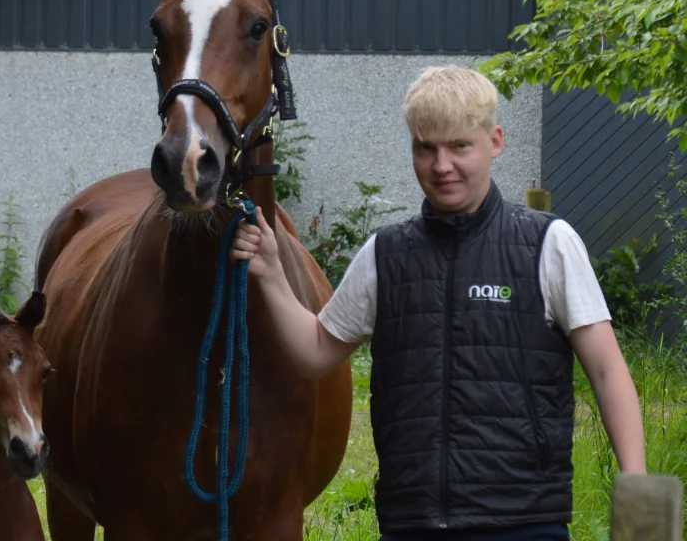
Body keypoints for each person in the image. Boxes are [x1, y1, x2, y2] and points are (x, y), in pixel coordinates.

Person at [231, 65, 646, 541]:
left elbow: (608, 372)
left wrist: (636, 486)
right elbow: (315, 350)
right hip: (413, 521)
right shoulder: (384, 255)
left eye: (459, 147)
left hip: (524, 521)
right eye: (425, 148)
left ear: (494, 142)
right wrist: (270, 273)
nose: (441, 166)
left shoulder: (548, 244)